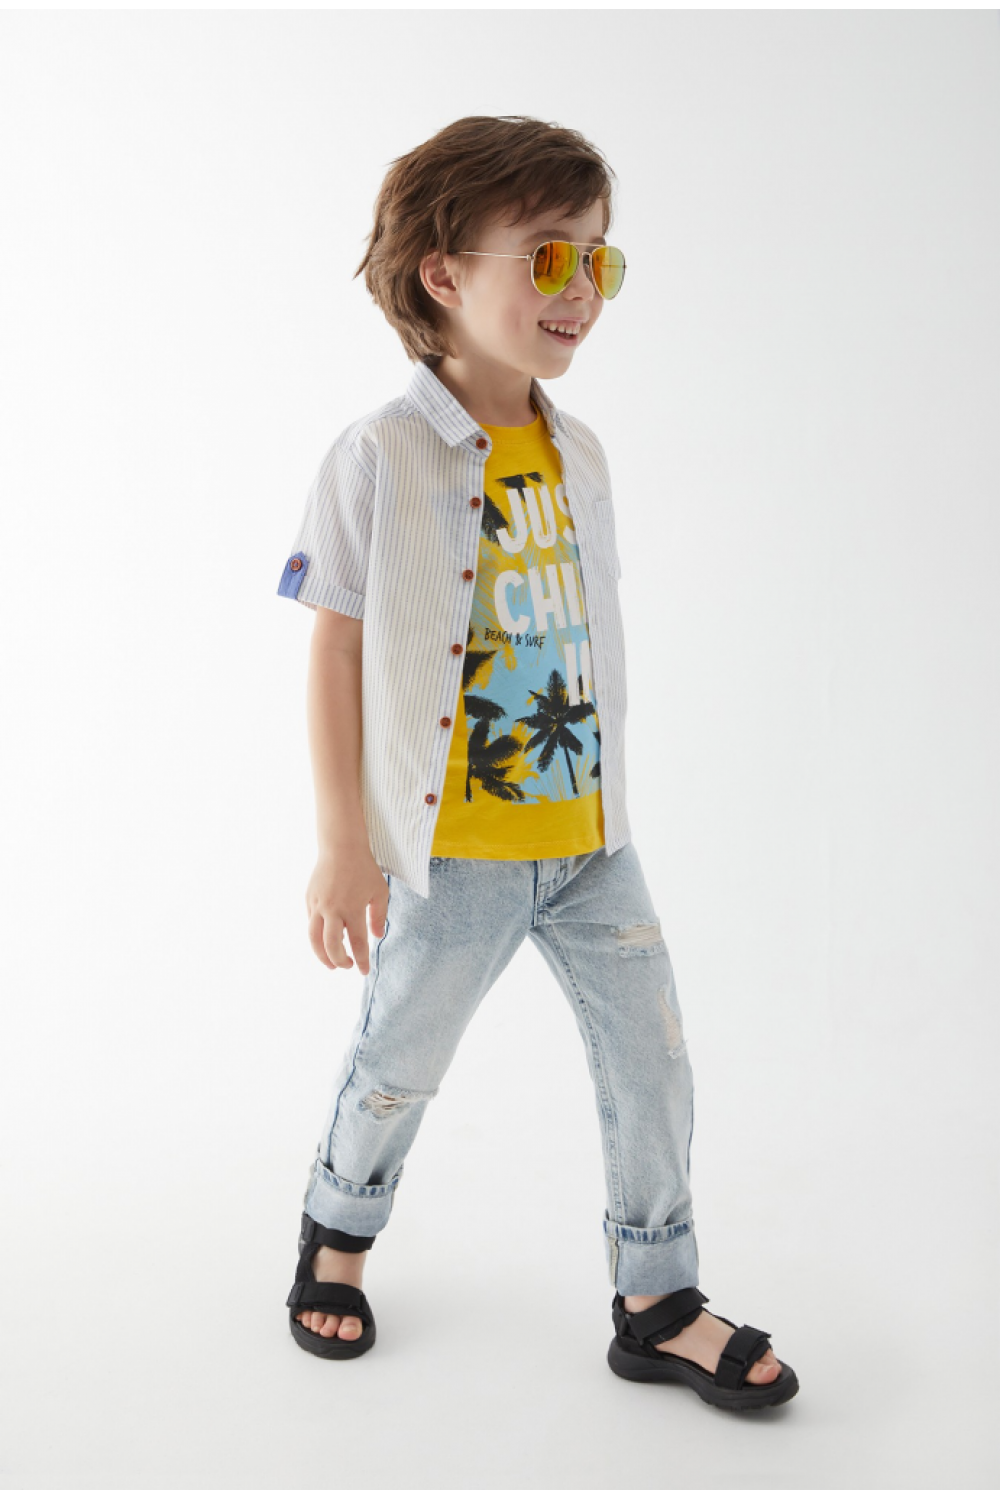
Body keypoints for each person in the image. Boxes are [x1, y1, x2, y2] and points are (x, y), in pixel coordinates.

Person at [275, 114, 798, 1412]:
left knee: (652, 1063)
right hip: (454, 852)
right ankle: (336, 1238)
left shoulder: (583, 453)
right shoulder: (378, 455)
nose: (583, 290)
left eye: (599, 261)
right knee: (399, 1063)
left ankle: (657, 1300)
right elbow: (335, 647)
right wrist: (342, 842)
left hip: (591, 844)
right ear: (444, 273)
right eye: (550, 257)